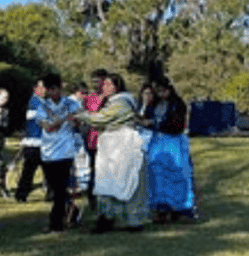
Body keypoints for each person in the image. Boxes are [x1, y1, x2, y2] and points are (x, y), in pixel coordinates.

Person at [74, 72, 151, 234]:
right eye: (104, 84)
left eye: (109, 84)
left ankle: (133, 220)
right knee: (108, 181)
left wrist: (79, 115)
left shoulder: (122, 102)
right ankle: (107, 217)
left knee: (127, 180)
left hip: (123, 145)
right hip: (111, 145)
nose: (105, 87)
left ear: (118, 86)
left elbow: (101, 118)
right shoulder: (113, 101)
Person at [144, 78, 197, 223]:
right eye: (158, 91)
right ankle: (161, 209)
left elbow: (177, 125)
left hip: (173, 142)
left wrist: (156, 123)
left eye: (163, 91)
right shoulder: (154, 104)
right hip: (157, 143)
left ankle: (179, 208)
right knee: (157, 176)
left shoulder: (177, 104)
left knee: (176, 174)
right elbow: (146, 118)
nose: (161, 94)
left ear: (169, 89)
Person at [35, 73, 82, 234]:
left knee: (60, 190)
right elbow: (48, 127)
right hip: (48, 153)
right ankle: (73, 212)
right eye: (49, 89)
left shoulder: (71, 103)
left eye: (55, 89)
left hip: (65, 152)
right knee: (55, 190)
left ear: (60, 88)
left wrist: (76, 120)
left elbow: (80, 121)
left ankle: (56, 224)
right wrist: (64, 119)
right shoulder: (42, 106)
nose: (52, 92)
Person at [13, 79, 47, 203]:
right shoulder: (34, 102)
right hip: (34, 142)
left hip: (41, 141)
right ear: (35, 88)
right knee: (29, 170)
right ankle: (21, 194)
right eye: (42, 87)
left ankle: (51, 194)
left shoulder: (42, 101)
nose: (45, 89)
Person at [82, 68, 109, 210]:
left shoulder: (111, 98)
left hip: (109, 139)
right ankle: (92, 198)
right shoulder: (90, 98)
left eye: (99, 81)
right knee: (94, 168)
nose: (96, 84)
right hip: (92, 139)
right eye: (94, 81)